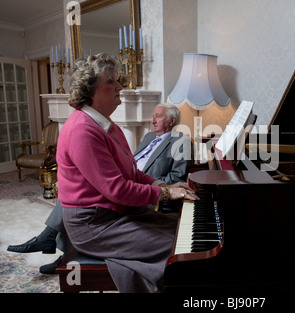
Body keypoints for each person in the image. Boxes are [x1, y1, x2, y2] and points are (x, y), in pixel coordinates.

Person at [51, 53, 199, 292]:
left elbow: (133, 172)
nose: (119, 86)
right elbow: (117, 189)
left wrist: (164, 185)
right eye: (111, 81)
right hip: (94, 225)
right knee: (181, 246)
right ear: (91, 89)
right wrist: (165, 194)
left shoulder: (108, 126)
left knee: (181, 231)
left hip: (116, 214)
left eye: (116, 80)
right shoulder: (82, 130)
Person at [7, 103, 193, 275]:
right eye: (153, 116)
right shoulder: (148, 136)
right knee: (80, 196)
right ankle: (64, 255)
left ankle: (56, 246)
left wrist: (159, 187)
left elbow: (176, 177)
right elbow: (130, 166)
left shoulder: (181, 141)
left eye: (158, 116)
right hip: (126, 184)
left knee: (79, 200)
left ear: (172, 121)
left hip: (141, 188)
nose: (153, 120)